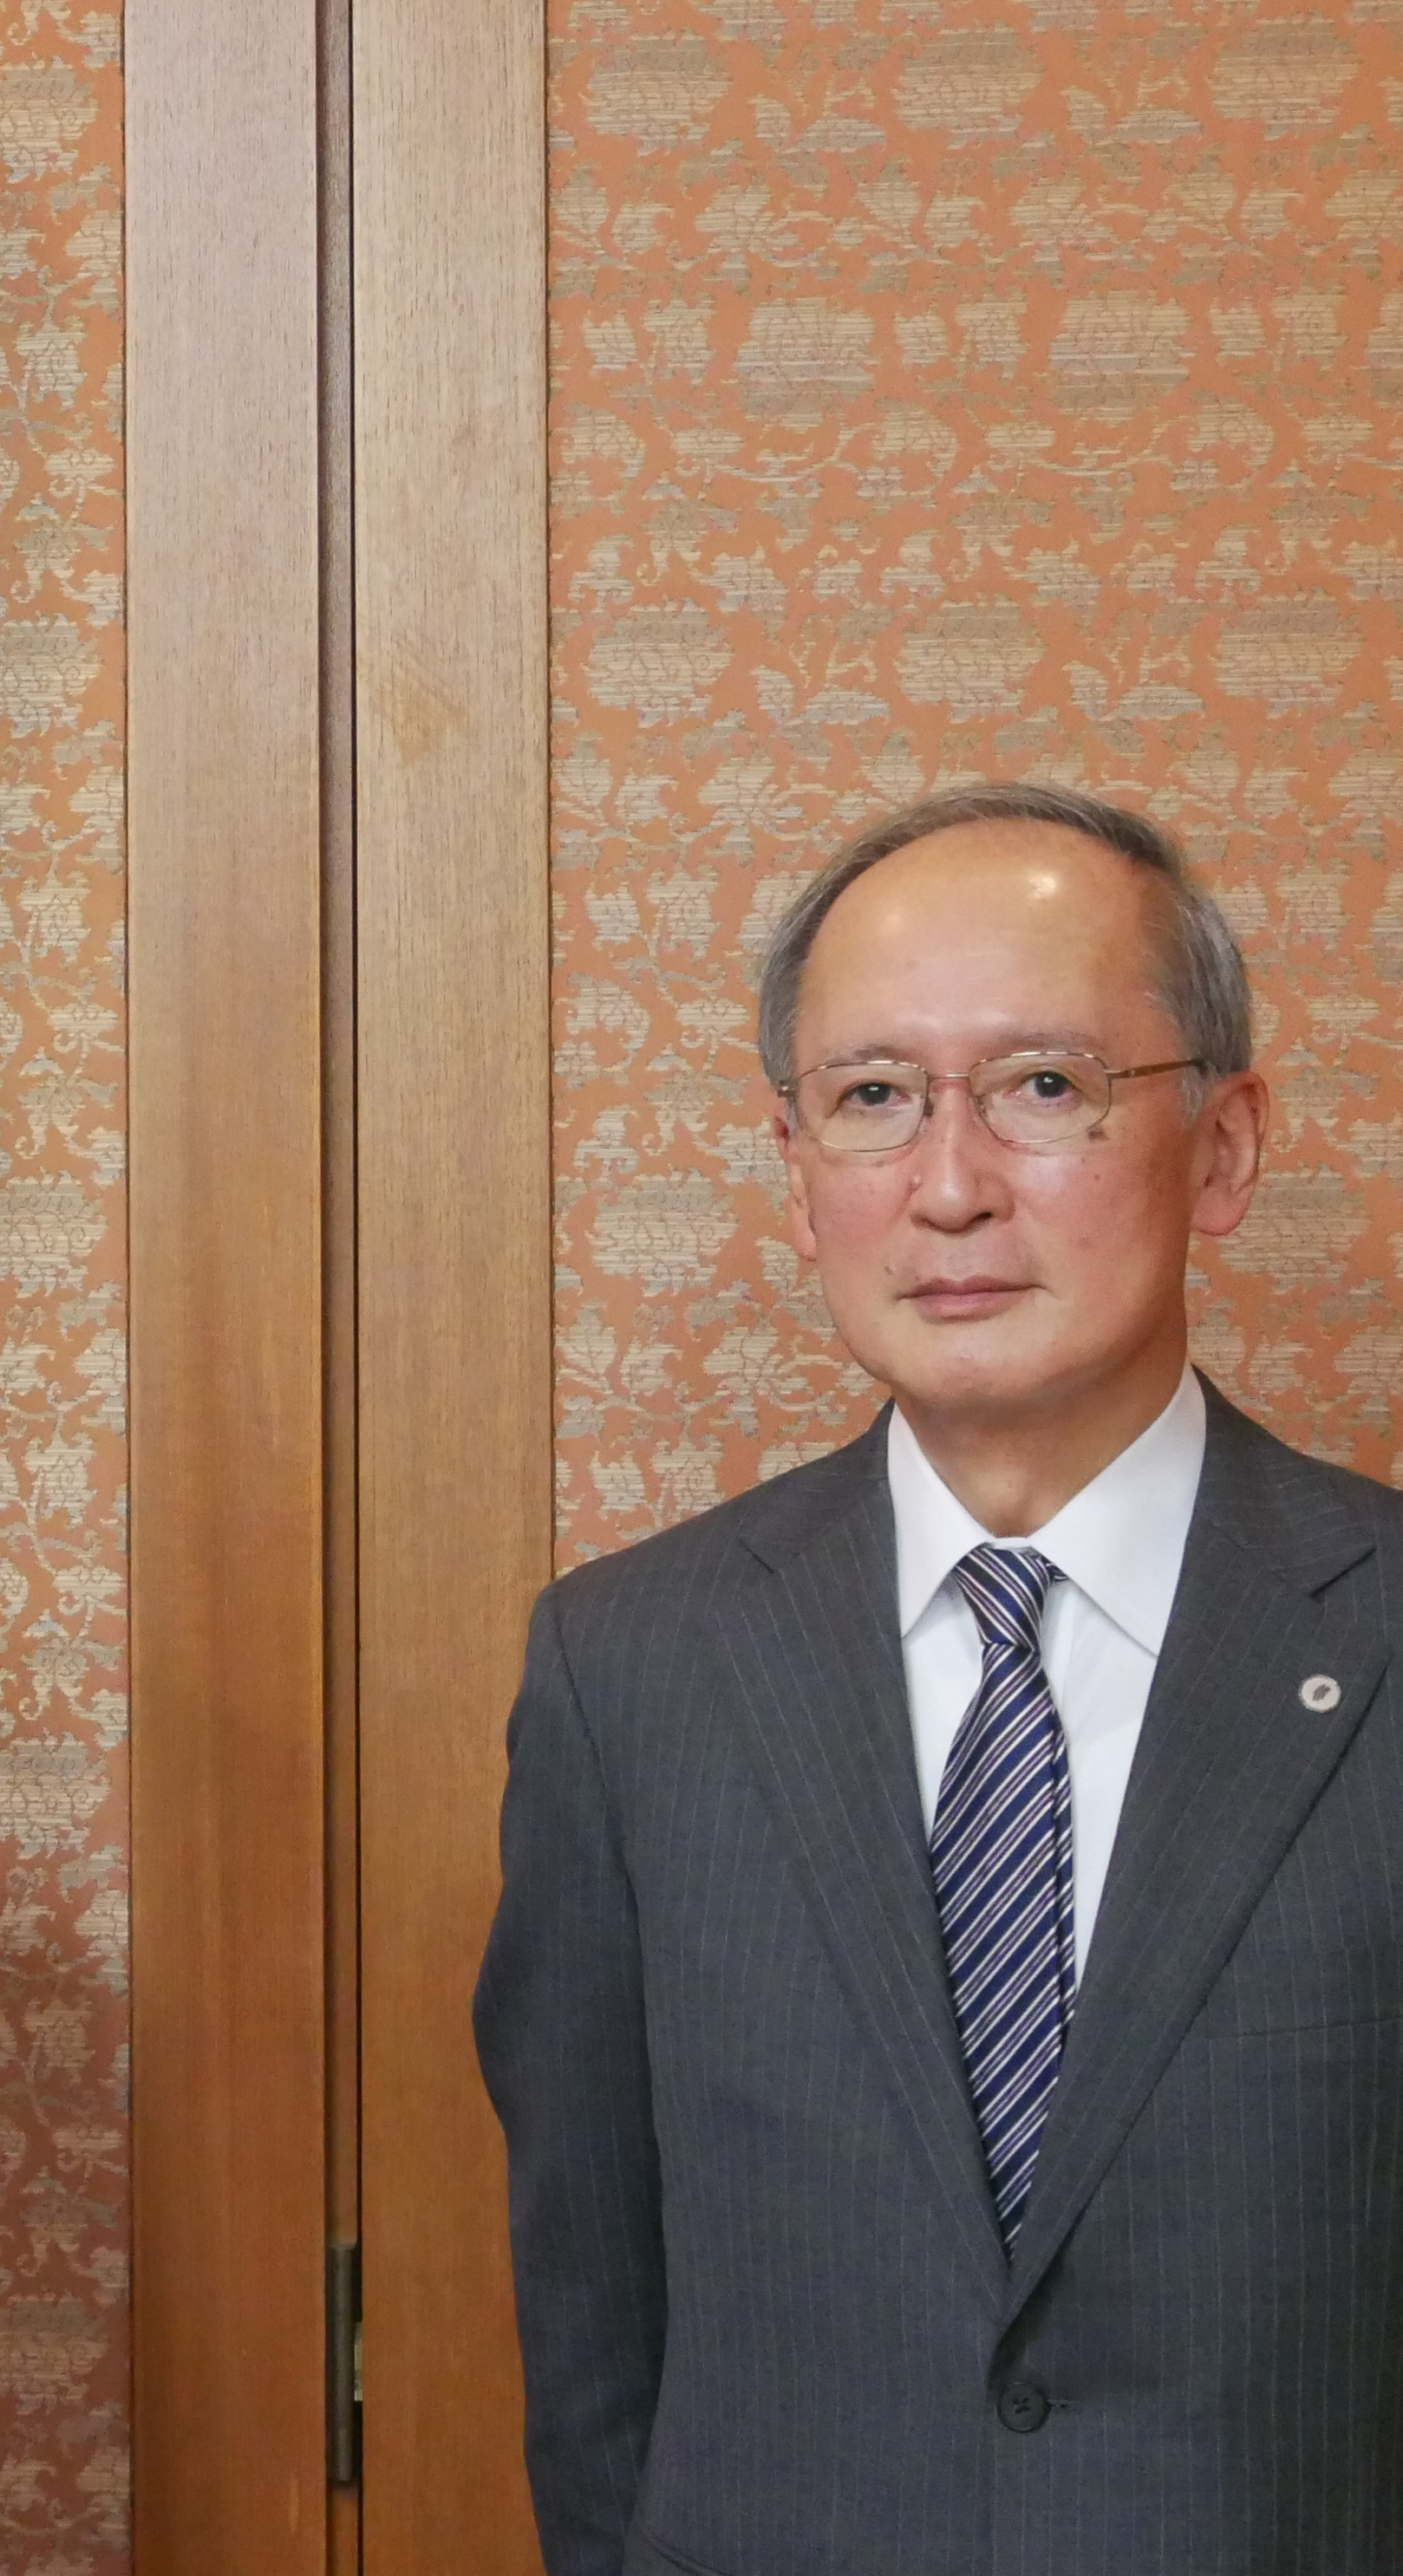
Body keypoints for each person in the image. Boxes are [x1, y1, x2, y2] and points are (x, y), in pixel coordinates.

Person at [474, 780, 1403, 2575]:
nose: (952, 1185)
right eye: (875, 1099)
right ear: (795, 1165)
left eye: (1046, 1087)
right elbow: (592, 2316)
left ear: (1222, 1148)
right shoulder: (631, 1666)